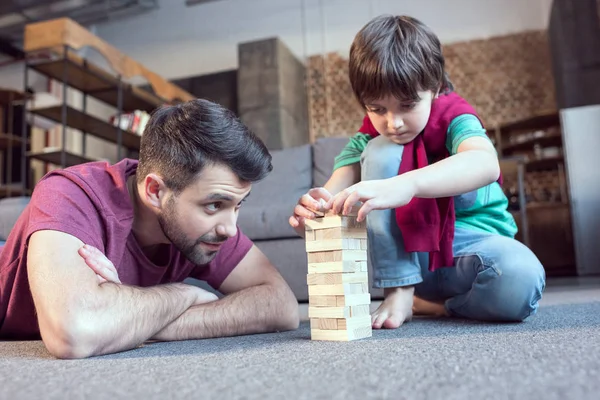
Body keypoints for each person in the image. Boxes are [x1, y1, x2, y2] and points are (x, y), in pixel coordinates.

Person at [290, 15, 546, 329]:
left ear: (436, 87)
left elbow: (485, 163)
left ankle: (432, 307)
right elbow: (332, 194)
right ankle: (398, 289)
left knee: (521, 277)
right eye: (377, 108)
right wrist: (315, 215)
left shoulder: (456, 119)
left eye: (407, 105)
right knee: (381, 148)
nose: (392, 123)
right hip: (410, 259)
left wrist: (406, 185)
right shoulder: (369, 138)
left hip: (468, 256)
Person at [0, 99, 299, 358]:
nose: (230, 229)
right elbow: (73, 333)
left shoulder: (205, 232)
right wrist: (184, 295)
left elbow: (282, 306)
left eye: (238, 205)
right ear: (155, 191)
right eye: (214, 205)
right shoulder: (71, 194)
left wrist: (132, 320)